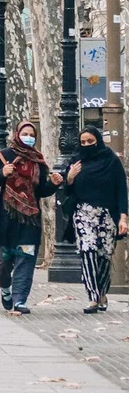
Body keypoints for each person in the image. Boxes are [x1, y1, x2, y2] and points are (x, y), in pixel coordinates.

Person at [0, 119, 62, 315]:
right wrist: (2, 173)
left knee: (26, 259)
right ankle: (5, 289)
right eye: (26, 134)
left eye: (33, 136)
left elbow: (40, 191)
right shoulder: (3, 156)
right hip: (4, 221)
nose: (29, 138)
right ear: (17, 134)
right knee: (4, 262)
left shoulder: (38, 162)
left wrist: (54, 184)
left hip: (29, 222)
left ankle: (20, 300)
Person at [63, 126, 129, 313]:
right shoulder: (76, 161)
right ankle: (93, 296)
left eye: (90, 141)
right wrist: (69, 177)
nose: (86, 145)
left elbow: (121, 190)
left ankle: (101, 292)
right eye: (83, 142)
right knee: (88, 251)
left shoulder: (111, 161)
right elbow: (67, 190)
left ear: (98, 140)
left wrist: (123, 218)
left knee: (104, 256)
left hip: (107, 215)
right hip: (83, 213)